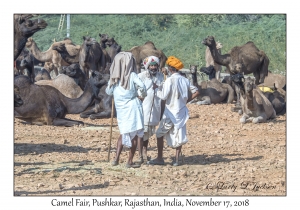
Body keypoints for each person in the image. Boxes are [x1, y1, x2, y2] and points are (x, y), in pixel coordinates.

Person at [148, 56, 199, 166]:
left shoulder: (169, 80)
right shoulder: (185, 80)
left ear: (170, 69)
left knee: (159, 134)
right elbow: (196, 92)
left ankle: (160, 158)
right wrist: (186, 101)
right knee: (179, 135)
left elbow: (163, 96)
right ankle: (176, 160)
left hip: (170, 112)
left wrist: (156, 88)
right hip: (181, 112)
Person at [105, 52, 147, 168]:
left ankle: (116, 159)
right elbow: (142, 87)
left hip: (121, 109)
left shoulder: (114, 78)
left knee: (124, 132)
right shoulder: (132, 75)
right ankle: (129, 161)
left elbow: (108, 91)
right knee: (133, 134)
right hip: (133, 107)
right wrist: (142, 95)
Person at [137, 56, 165, 163]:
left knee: (148, 132)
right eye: (151, 65)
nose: (153, 68)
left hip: (155, 109)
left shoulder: (161, 76)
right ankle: (141, 154)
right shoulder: (141, 76)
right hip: (144, 108)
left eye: (155, 65)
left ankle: (145, 153)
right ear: (147, 66)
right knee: (142, 132)